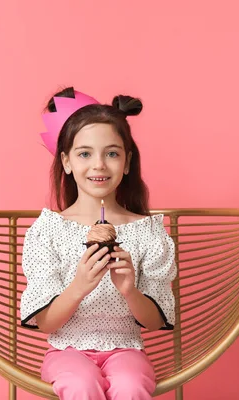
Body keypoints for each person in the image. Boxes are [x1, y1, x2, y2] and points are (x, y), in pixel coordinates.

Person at [20, 87, 177, 400]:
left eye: (112, 153)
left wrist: (130, 290)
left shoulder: (148, 231)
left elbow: (156, 321)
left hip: (127, 348)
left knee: (131, 385)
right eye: (85, 153)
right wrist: (79, 285)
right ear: (66, 161)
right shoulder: (48, 230)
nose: (99, 165)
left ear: (127, 162)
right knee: (80, 385)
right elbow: (46, 322)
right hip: (67, 351)